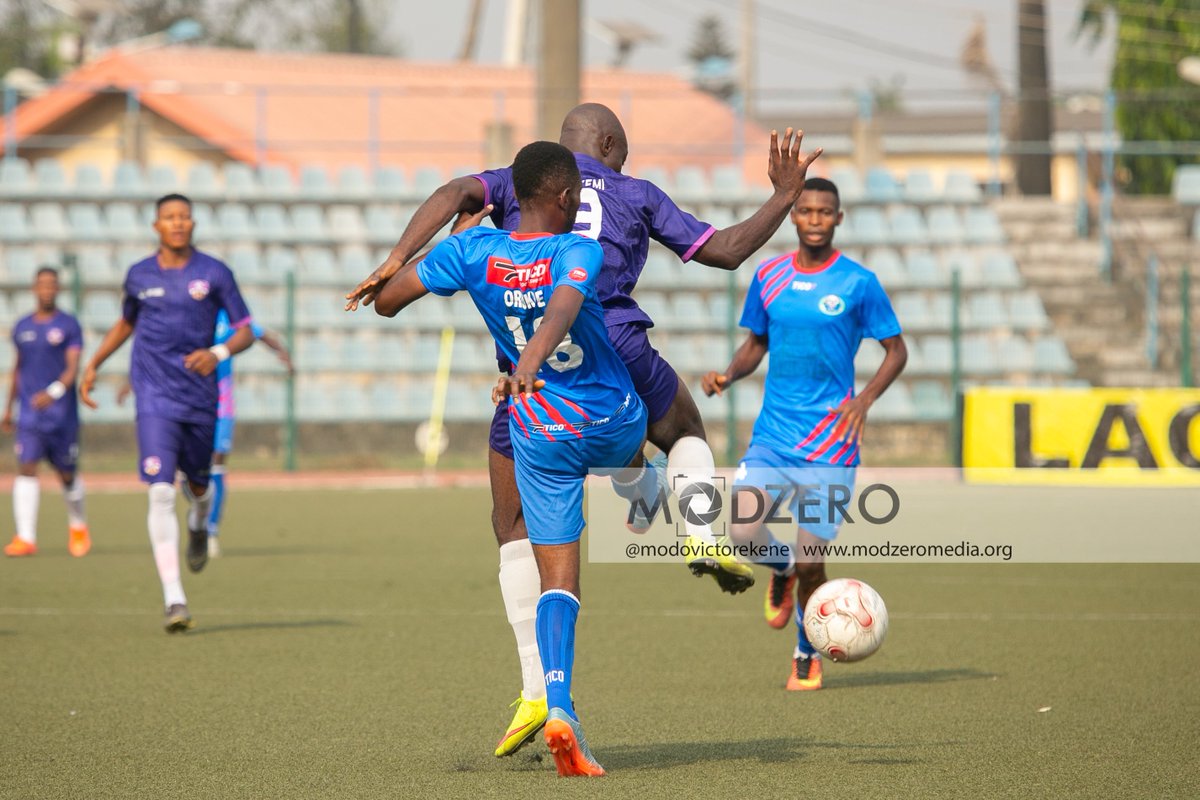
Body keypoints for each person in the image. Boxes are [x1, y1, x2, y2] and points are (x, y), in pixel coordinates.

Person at [346, 104, 821, 756]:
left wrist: (402, 257)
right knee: (678, 428)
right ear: (601, 146)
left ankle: (537, 688)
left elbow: (454, 196)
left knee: (512, 526)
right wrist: (783, 196)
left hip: (529, 386)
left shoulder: (509, 187)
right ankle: (695, 524)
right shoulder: (624, 201)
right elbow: (729, 250)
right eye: (620, 150)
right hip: (610, 350)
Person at [374, 140, 653, 777]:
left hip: (540, 428)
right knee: (637, 443)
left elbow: (388, 300)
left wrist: (431, 250)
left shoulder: (471, 250)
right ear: (564, 198)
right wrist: (531, 361)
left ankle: (561, 708)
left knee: (561, 579)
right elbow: (564, 303)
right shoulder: (578, 248)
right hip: (607, 415)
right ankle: (642, 486)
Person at [702, 177, 906, 691]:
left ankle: (804, 649)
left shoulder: (859, 283)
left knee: (815, 557)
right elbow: (756, 344)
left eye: (825, 212)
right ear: (793, 217)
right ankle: (783, 568)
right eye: (806, 210)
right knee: (743, 532)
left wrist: (864, 400)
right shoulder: (769, 276)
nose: (815, 219)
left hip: (831, 444)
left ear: (838, 219)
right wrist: (729, 373)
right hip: (773, 436)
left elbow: (896, 351)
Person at [79, 193, 256, 633]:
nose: (177, 224)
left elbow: (246, 330)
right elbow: (127, 322)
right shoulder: (139, 275)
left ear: (192, 224)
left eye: (184, 217)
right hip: (154, 395)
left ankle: (199, 523)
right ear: (156, 226)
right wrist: (94, 363)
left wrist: (217, 352)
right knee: (159, 489)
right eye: (169, 218)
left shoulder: (214, 272)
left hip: (199, 397)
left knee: (197, 484)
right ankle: (174, 599)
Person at [2, 267, 89, 557]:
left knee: (66, 474)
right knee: (26, 467)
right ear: (34, 289)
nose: (47, 289)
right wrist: (8, 408)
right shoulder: (22, 327)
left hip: (61, 414)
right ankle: (25, 537)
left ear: (58, 289)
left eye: (52, 285)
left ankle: (78, 526)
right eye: (43, 285)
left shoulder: (68, 325)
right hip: (29, 415)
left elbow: (72, 369)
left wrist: (52, 393)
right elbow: (18, 369)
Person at [207, 310, 293, 557]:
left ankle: (211, 530)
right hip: (186, 401)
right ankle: (201, 517)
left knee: (217, 463)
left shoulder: (227, 314)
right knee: (187, 468)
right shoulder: (187, 307)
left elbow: (258, 333)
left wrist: (283, 353)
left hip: (221, 404)